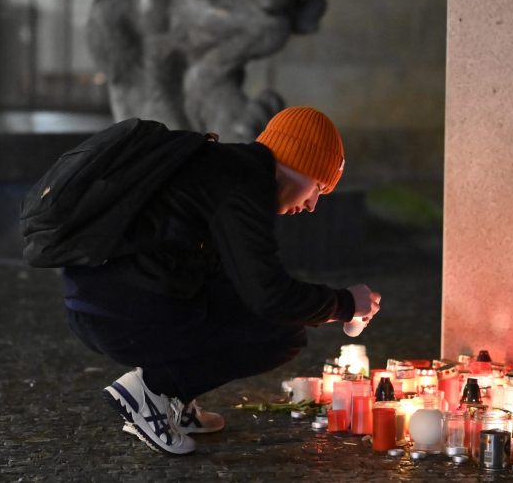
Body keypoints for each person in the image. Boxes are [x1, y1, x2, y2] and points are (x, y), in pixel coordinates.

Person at [62, 106, 381, 455]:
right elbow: (270, 297)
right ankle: (150, 391)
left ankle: (172, 399)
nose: (312, 204)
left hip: (103, 299)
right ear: (298, 164)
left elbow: (241, 281)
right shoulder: (244, 186)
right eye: (317, 186)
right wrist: (346, 304)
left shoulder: (230, 167)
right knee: (280, 334)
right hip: (117, 312)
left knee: (257, 314)